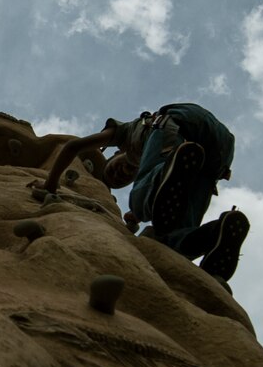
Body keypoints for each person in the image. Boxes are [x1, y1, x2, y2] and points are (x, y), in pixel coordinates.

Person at [41, 103, 249, 284]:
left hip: (179, 122)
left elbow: (73, 146)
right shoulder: (178, 169)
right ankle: (216, 233)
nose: (120, 174)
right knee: (173, 236)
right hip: (218, 156)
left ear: (116, 153)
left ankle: (162, 177)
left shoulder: (124, 134)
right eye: (120, 181)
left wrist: (50, 183)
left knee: (139, 201)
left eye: (115, 169)